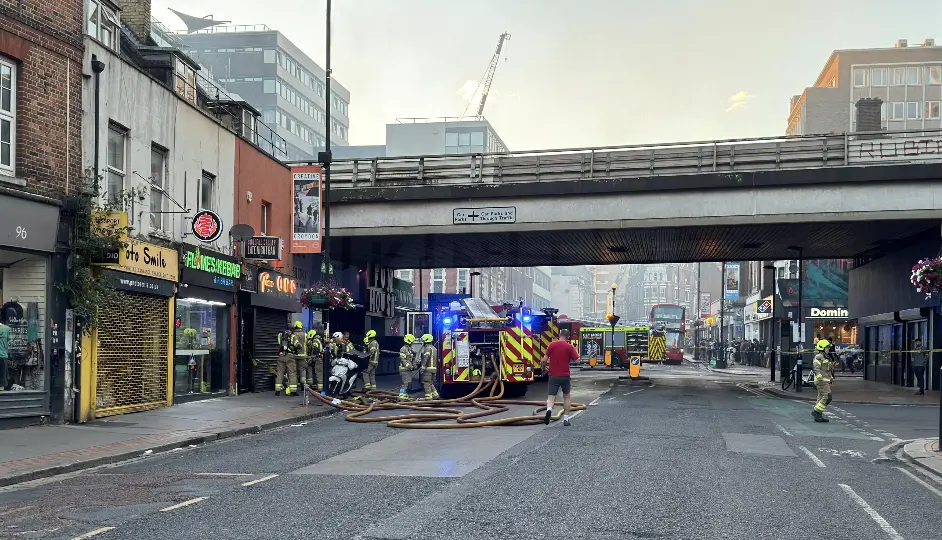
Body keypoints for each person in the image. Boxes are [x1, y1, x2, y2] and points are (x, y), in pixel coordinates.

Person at [542, 328, 579, 426]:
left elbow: (544, 360)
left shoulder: (552, 345)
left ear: (559, 335)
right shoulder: (569, 347)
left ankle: (549, 410)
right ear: (568, 337)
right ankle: (566, 419)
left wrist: (543, 368)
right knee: (566, 397)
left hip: (553, 375)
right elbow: (578, 361)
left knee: (551, 397)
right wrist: (576, 350)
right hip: (565, 376)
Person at [276, 321, 306, 396]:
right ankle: (293, 391)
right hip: (290, 356)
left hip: (281, 355)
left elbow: (279, 343)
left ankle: (277, 390)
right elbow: (298, 345)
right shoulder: (293, 336)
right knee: (292, 373)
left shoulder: (280, 335)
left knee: (280, 373)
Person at [811, 339, 834, 422]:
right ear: (822, 348)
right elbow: (816, 368)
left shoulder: (824, 357)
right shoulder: (819, 357)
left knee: (821, 397)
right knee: (828, 396)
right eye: (827, 347)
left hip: (824, 380)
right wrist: (819, 377)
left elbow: (826, 370)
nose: (828, 349)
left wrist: (830, 377)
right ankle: (817, 411)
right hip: (821, 381)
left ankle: (818, 416)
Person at [418, 333, 439, 400]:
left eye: (423, 341)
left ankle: (428, 399)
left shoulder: (427, 348)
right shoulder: (434, 348)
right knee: (430, 383)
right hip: (434, 369)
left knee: (426, 383)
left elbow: (426, 358)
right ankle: (435, 396)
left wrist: (422, 368)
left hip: (428, 369)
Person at [398, 334, 417, 400]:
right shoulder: (403, 349)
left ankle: (404, 396)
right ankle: (401, 396)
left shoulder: (409, 349)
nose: (412, 343)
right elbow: (403, 360)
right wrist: (409, 366)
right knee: (405, 384)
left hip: (408, 370)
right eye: (412, 342)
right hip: (404, 370)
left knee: (408, 383)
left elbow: (411, 359)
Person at [0, 320, 9, 391]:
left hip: (3, 354)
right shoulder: (7, 329)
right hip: (3, 355)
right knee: (3, 375)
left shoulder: (7, 328)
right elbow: (9, 341)